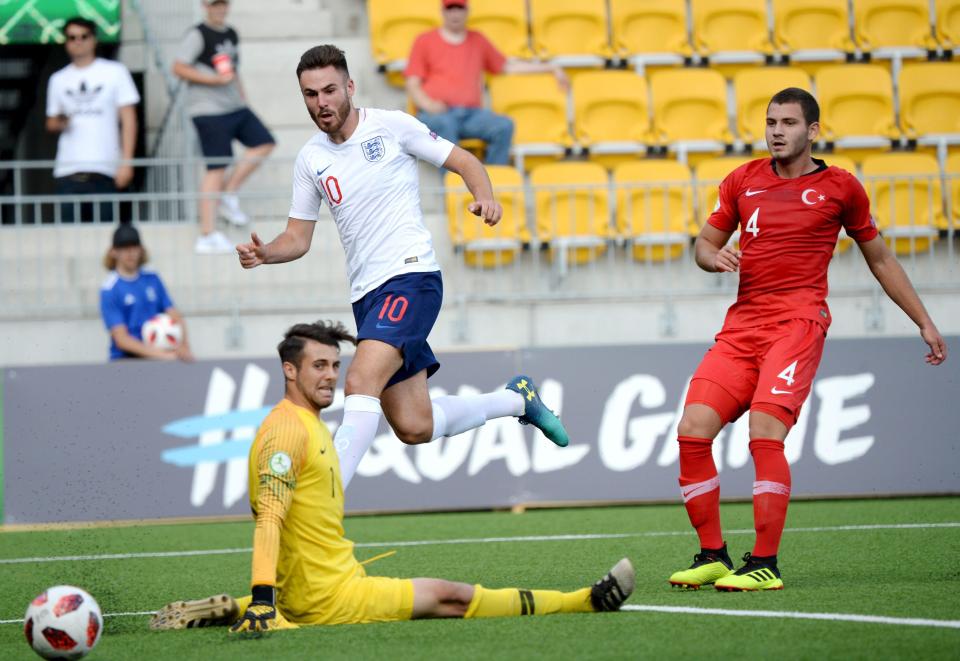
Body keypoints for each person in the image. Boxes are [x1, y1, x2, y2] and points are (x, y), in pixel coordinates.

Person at [149, 320, 635, 632]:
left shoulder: (307, 425)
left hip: (321, 587)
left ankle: (230, 607)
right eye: (318, 365)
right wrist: (259, 599)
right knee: (451, 597)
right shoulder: (285, 434)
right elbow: (269, 520)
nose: (329, 376)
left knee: (409, 425)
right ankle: (583, 602)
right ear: (289, 371)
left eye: (335, 366)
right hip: (334, 599)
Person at [236, 44, 570, 493]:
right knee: (414, 425)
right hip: (368, 296)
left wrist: (485, 195)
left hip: (411, 278)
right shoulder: (311, 159)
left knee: (358, 380)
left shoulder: (391, 126)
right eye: (311, 94)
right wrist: (265, 254)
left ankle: (321, 501)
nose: (322, 103)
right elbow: (297, 239)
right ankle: (517, 400)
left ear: (349, 87)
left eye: (330, 90)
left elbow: (465, 161)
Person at [668, 88, 948, 592]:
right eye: (771, 121)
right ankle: (713, 554)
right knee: (692, 430)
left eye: (789, 123)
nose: (776, 130)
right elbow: (704, 245)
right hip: (741, 327)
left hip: (797, 324)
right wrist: (714, 258)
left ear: (812, 131)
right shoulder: (742, 180)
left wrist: (923, 321)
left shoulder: (841, 188)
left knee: (764, 433)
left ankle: (765, 563)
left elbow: (880, 259)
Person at [404, 0, 568, 165]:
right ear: (443, 11)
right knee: (445, 125)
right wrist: (429, 105)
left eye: (459, 8)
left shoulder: (478, 40)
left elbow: (507, 66)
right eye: (450, 8)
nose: (455, 13)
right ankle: (453, 186)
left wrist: (550, 67)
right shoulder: (424, 40)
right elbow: (412, 82)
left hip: (471, 115)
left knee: (504, 126)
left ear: (467, 11)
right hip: (438, 114)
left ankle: (490, 183)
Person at [173, 0, 276, 254]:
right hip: (208, 109)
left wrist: (242, 97)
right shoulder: (198, 33)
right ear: (205, 6)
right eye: (214, 4)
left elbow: (234, 70)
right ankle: (207, 234)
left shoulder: (231, 32)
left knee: (264, 142)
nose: (219, 9)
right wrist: (213, 80)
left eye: (222, 4)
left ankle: (228, 195)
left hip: (233, 105)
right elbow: (178, 67)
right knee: (216, 166)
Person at [45, 16, 139, 223]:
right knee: (71, 240)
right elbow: (50, 122)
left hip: (106, 168)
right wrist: (62, 122)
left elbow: (129, 120)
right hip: (68, 170)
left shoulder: (115, 72)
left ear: (94, 39)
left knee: (106, 234)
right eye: (72, 37)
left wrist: (127, 162)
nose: (78, 41)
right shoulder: (58, 79)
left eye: (83, 36)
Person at [100, 224, 194, 361]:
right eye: (125, 248)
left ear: (141, 250)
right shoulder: (110, 288)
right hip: (126, 359)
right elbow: (121, 339)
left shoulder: (152, 278)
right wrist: (162, 356)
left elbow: (174, 315)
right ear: (114, 252)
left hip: (160, 352)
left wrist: (184, 345)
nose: (131, 253)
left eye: (134, 247)